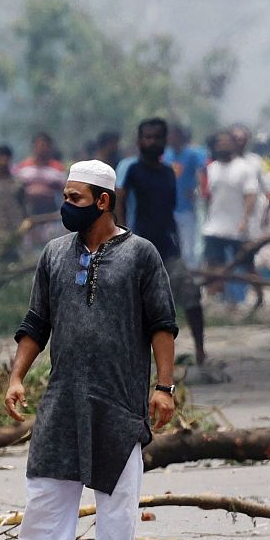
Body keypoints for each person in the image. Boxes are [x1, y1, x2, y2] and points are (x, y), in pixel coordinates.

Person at [1, 160, 177, 540]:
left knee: (118, 501)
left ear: (103, 201)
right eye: (65, 196)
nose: (65, 206)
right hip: (62, 398)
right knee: (45, 495)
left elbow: (162, 324)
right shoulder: (55, 254)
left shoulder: (141, 254)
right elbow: (36, 321)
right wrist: (17, 375)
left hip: (118, 400)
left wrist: (164, 387)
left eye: (74, 198)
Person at [118, 118, 207, 368]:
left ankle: (200, 351)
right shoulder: (131, 170)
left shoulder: (168, 172)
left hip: (167, 248)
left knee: (190, 294)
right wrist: (122, 237)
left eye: (157, 137)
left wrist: (177, 240)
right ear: (139, 141)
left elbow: (169, 212)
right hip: (136, 247)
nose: (152, 141)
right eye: (147, 137)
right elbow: (119, 201)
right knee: (135, 304)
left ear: (165, 140)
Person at [201, 131, 260, 304]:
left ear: (234, 145)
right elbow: (208, 195)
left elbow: (251, 195)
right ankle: (219, 298)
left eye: (227, 143)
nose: (223, 146)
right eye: (220, 143)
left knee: (246, 264)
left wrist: (245, 219)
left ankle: (259, 296)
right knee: (214, 263)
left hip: (237, 226)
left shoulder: (244, 168)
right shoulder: (212, 168)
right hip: (215, 225)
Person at [163, 124, 206, 267]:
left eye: (173, 135)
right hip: (168, 209)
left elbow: (202, 173)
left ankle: (191, 280)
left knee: (188, 249)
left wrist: (197, 191)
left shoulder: (192, 154)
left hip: (186, 209)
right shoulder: (166, 155)